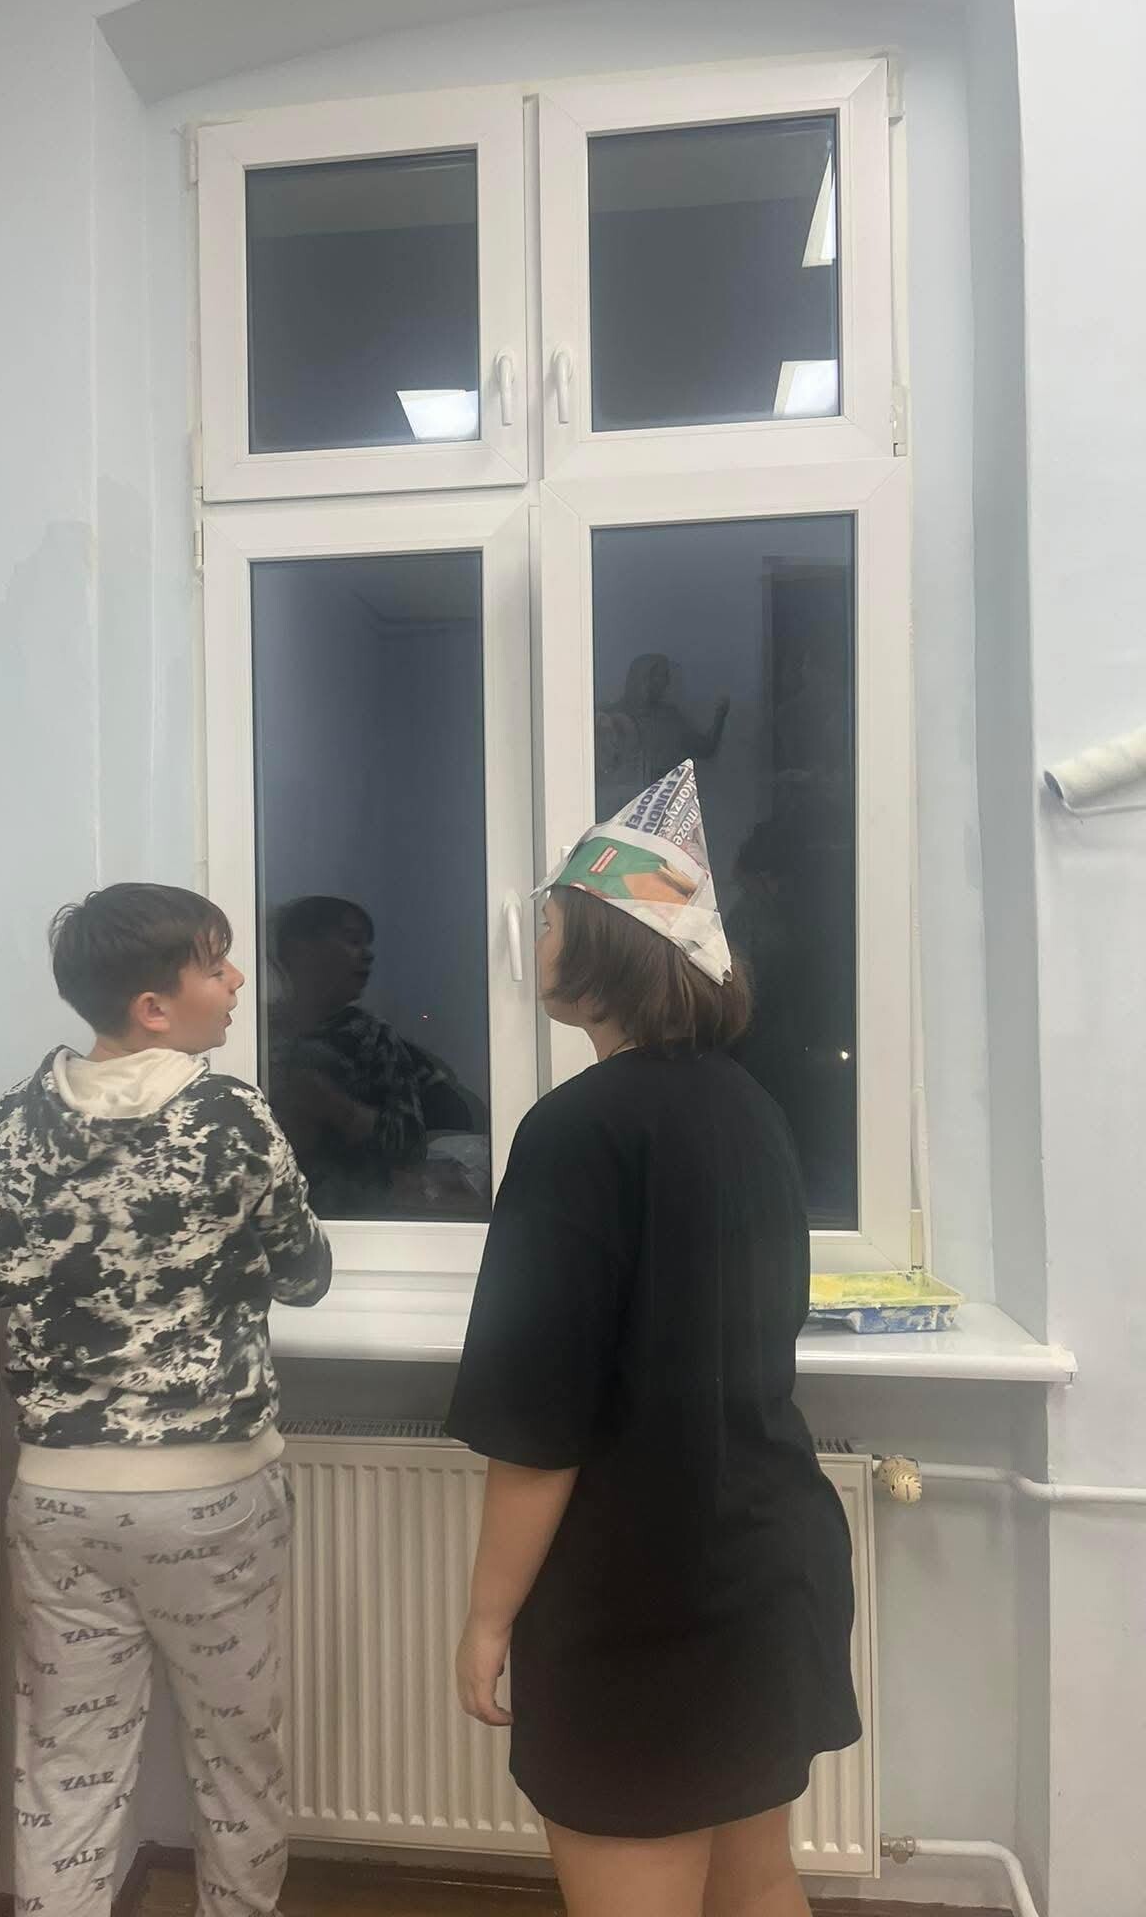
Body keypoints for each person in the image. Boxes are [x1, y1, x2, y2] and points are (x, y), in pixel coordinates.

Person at [446, 775, 859, 1917]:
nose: (533, 935)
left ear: (601, 943)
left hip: (638, 1596)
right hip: (768, 1564)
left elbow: (541, 1421)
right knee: (756, 1881)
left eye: (549, 914)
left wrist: (487, 1618)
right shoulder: (752, 1108)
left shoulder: (578, 1131)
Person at [0, 884, 331, 1917]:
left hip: (61, 1499)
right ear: (154, 1007)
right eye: (216, 963)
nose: (237, 981)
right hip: (210, 1498)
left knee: (68, 1766)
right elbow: (304, 1273)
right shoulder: (229, 1114)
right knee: (235, 1757)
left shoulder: (10, 1125)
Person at [266, 895, 483, 1216]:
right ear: (299, 949)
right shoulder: (257, 1033)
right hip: (272, 1215)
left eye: (366, 944)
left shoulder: (371, 1037)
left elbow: (410, 1147)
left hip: (355, 1222)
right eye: (352, 940)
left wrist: (332, 1105)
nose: (367, 954)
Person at [596, 652, 730, 819]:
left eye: (666, 677)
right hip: (617, 812)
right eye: (660, 676)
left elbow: (705, 748)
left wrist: (720, 716)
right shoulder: (608, 718)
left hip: (661, 811)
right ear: (642, 678)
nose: (666, 682)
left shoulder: (669, 719)